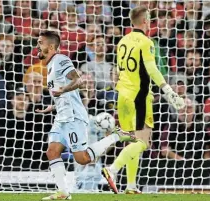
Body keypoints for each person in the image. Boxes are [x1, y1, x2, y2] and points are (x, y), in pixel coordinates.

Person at [35, 31, 135, 200]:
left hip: (73, 116)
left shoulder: (61, 60)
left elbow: (78, 80)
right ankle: (63, 192)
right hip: (62, 116)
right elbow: (62, 94)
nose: (37, 45)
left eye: (40, 42)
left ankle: (116, 136)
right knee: (52, 151)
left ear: (51, 46)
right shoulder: (51, 64)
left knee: (82, 158)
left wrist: (63, 90)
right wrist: (52, 106)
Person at [101, 6, 185, 194]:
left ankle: (131, 186)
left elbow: (118, 71)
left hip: (122, 97)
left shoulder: (122, 41)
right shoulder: (147, 42)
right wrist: (168, 90)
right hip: (139, 98)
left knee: (132, 142)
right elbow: (152, 69)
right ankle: (112, 170)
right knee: (143, 142)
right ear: (146, 21)